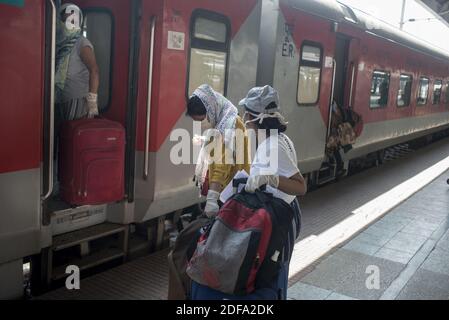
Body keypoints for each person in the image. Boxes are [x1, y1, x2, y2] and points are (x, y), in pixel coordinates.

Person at [241, 85, 307, 300]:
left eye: (247, 114)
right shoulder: (276, 140)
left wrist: (271, 179)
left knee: (273, 277)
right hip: (283, 213)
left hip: (281, 219)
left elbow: (301, 186)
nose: (244, 119)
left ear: (256, 118)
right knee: (274, 274)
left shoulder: (273, 146)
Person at [186, 84, 251, 218]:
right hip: (226, 190)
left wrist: (212, 198)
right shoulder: (223, 121)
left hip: (231, 194)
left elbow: (223, 163)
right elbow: (221, 145)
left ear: (211, 110)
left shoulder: (232, 124)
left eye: (201, 119)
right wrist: (205, 139)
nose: (201, 124)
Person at [55, 3, 99, 125]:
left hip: (78, 99)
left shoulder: (81, 42)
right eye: (66, 19)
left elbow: (94, 70)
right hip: (60, 99)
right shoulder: (58, 43)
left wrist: (92, 101)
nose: (70, 23)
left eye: (73, 20)